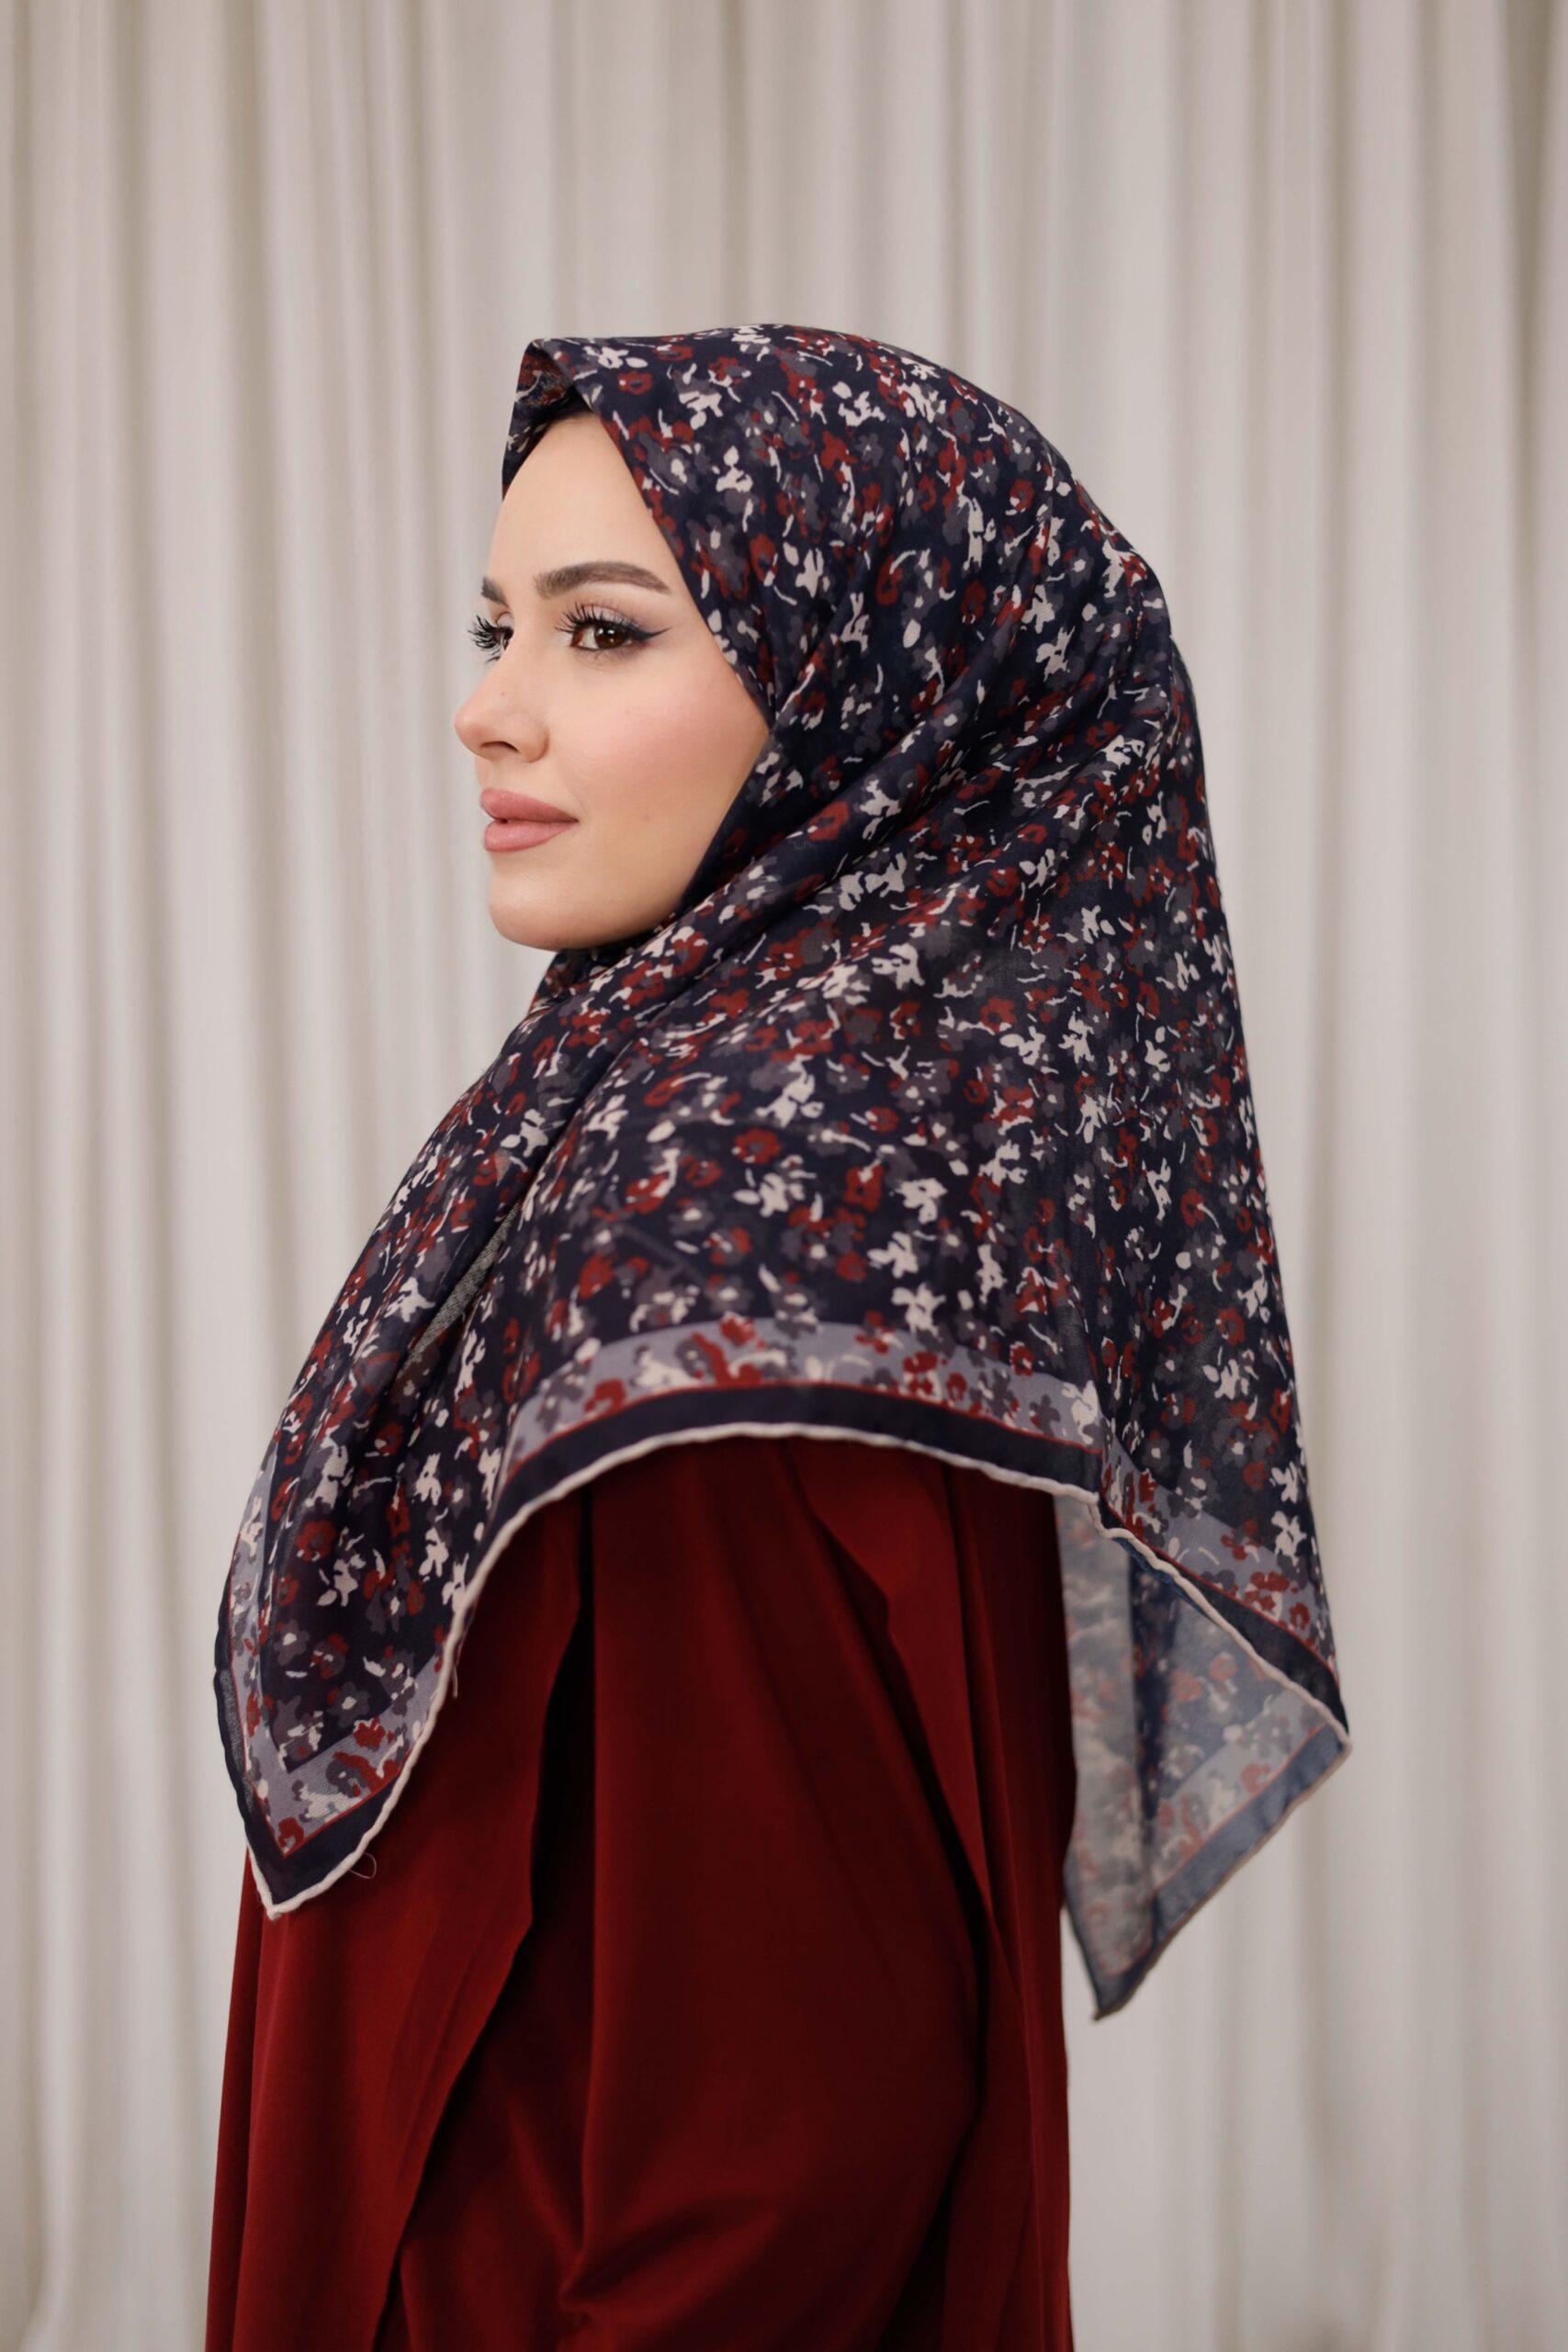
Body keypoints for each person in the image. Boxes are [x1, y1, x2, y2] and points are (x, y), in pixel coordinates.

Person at [207, 324, 1352, 2349]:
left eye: (603, 632)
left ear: (867, 700)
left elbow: (797, 2135)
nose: (486, 707)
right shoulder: (815, 1152)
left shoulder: (734, 1229)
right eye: (497, 625)